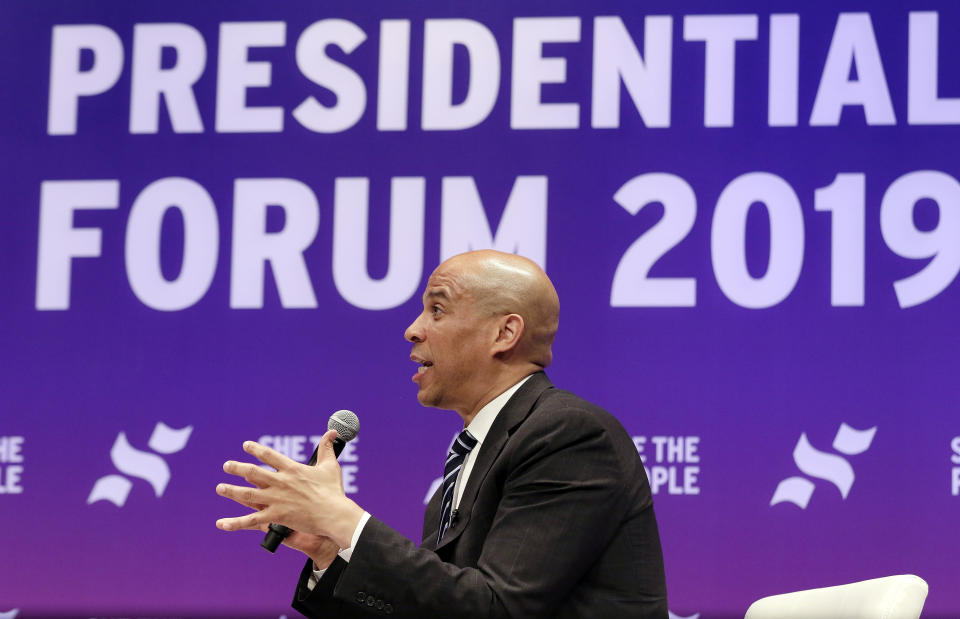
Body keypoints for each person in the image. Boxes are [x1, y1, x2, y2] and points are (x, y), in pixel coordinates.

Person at [216, 250, 668, 618]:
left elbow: (499, 610)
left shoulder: (568, 436)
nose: (412, 329)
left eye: (437, 309)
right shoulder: (471, 458)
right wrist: (332, 551)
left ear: (504, 332)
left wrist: (344, 520)